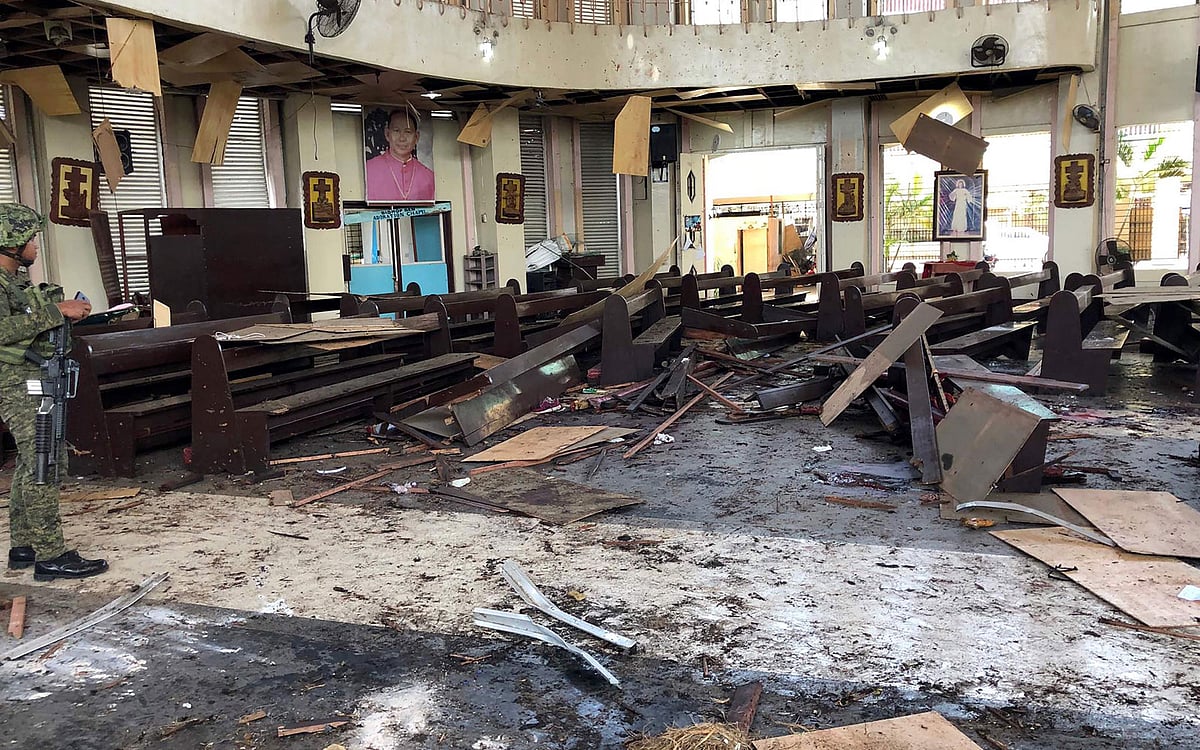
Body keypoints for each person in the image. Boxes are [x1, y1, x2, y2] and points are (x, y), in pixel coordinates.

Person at [0, 203, 108, 581]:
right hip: (15, 383)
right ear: (12, 241)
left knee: (33, 462)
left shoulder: (14, 281)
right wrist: (57, 311)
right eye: (30, 238)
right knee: (43, 460)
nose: (35, 245)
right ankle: (51, 555)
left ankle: (24, 545)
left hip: (33, 376)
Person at [365, 110, 435, 203]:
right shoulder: (369, 169)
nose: (402, 138)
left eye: (408, 132)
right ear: (387, 134)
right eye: (396, 131)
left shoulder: (428, 176)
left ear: (416, 137)